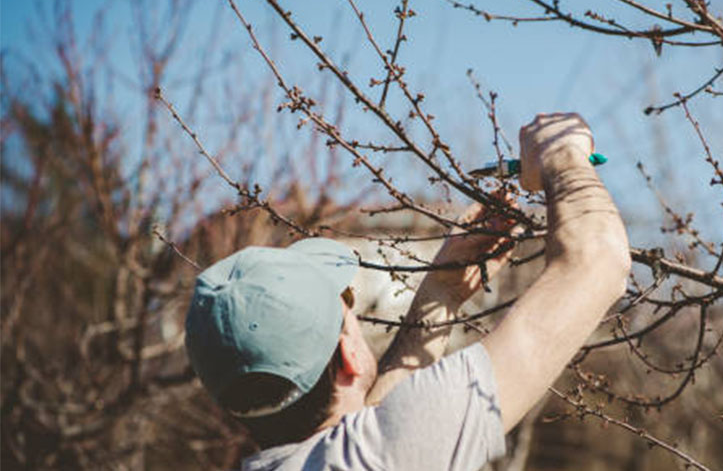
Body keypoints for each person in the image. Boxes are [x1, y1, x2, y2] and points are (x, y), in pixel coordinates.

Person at [184, 113, 631, 471]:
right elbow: (598, 262)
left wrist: (440, 294)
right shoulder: (389, 451)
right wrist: (563, 155)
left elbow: (365, 434)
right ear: (350, 357)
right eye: (347, 308)